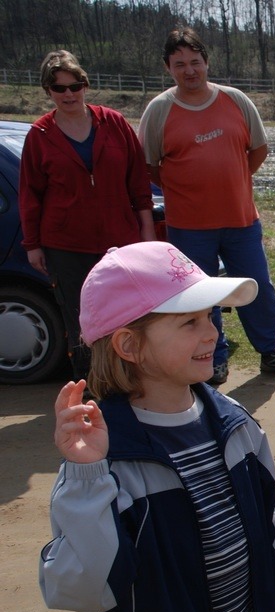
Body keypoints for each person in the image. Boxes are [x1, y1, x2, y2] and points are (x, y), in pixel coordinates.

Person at [39, 241, 275, 612]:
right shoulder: (105, 457)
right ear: (128, 344)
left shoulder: (237, 426)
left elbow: (267, 531)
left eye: (211, 316)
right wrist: (86, 476)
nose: (212, 333)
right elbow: (85, 590)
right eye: (189, 323)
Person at [139, 27, 275, 385]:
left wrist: (233, 181)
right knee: (200, 298)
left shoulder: (235, 101)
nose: (189, 70)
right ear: (168, 68)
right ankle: (214, 360)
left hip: (240, 219)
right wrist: (187, 188)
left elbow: (258, 149)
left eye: (195, 62)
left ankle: (273, 352)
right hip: (189, 226)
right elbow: (149, 166)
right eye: (180, 64)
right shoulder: (160, 110)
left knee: (258, 288)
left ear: (206, 62)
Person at [20, 50, 154, 382]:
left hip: (120, 239)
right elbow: (30, 195)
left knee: (126, 312)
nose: (68, 94)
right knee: (79, 317)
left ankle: (129, 377)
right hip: (66, 244)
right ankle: (90, 383)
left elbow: (138, 182)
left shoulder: (114, 123)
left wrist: (146, 229)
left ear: (85, 85)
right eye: (59, 88)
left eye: (74, 85)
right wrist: (33, 244)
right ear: (47, 91)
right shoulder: (39, 135)